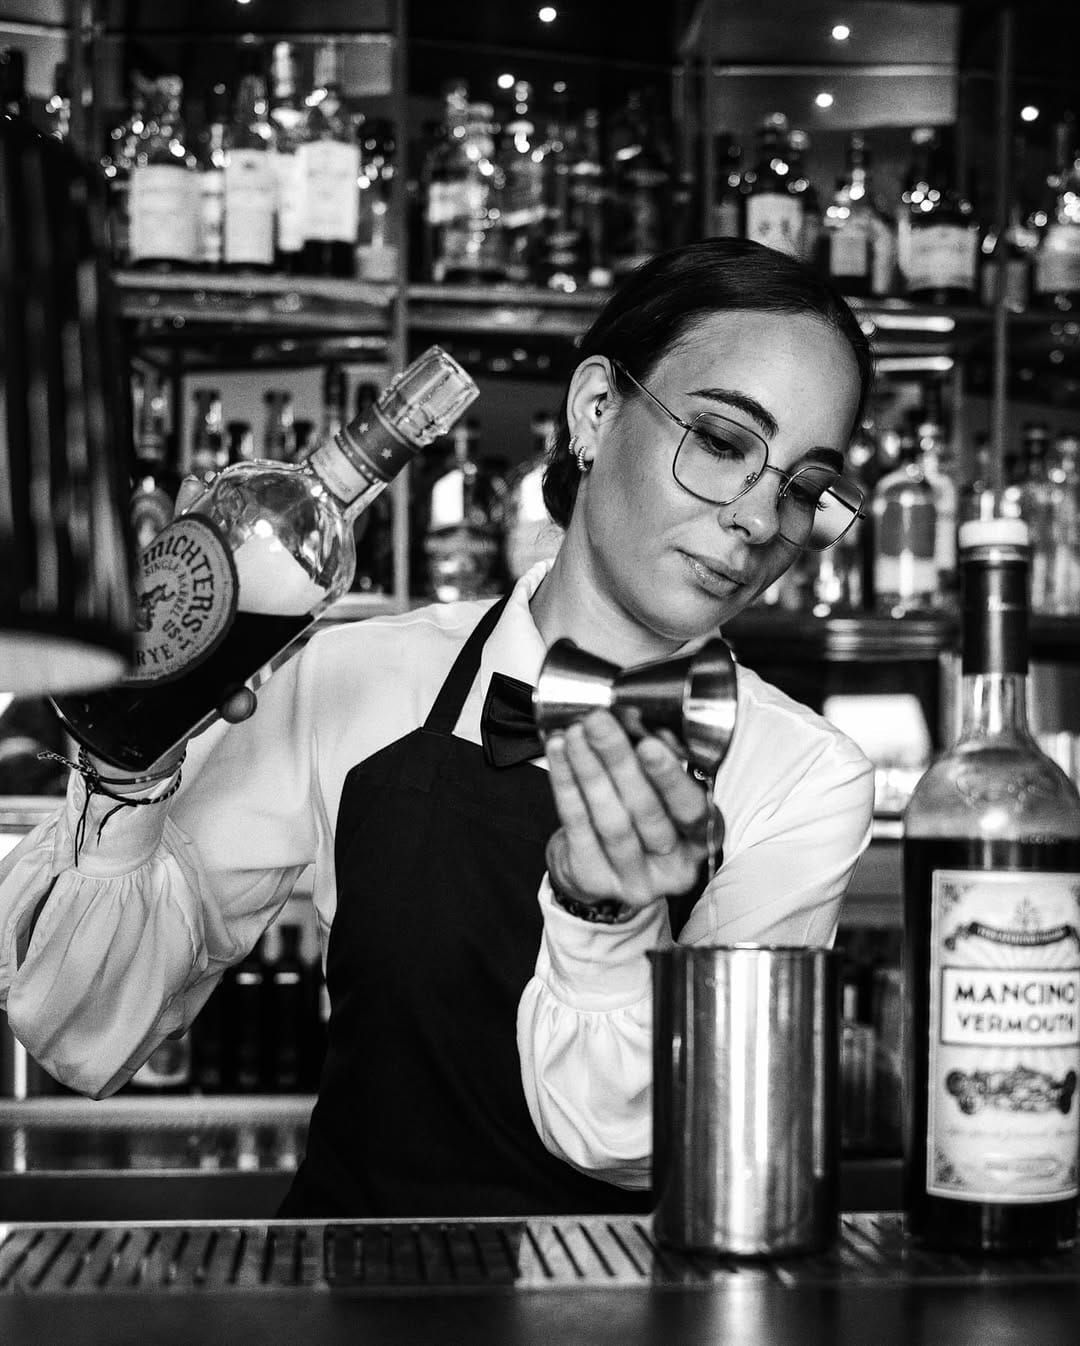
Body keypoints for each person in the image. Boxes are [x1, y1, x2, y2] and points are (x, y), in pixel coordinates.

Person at [0, 237, 875, 1217]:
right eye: (720, 441)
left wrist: (603, 922)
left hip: (628, 1291)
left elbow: (673, 1145)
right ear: (596, 409)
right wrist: (129, 770)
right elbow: (83, 1035)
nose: (758, 520)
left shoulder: (804, 774)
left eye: (804, 488)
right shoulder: (358, 674)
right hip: (348, 1283)